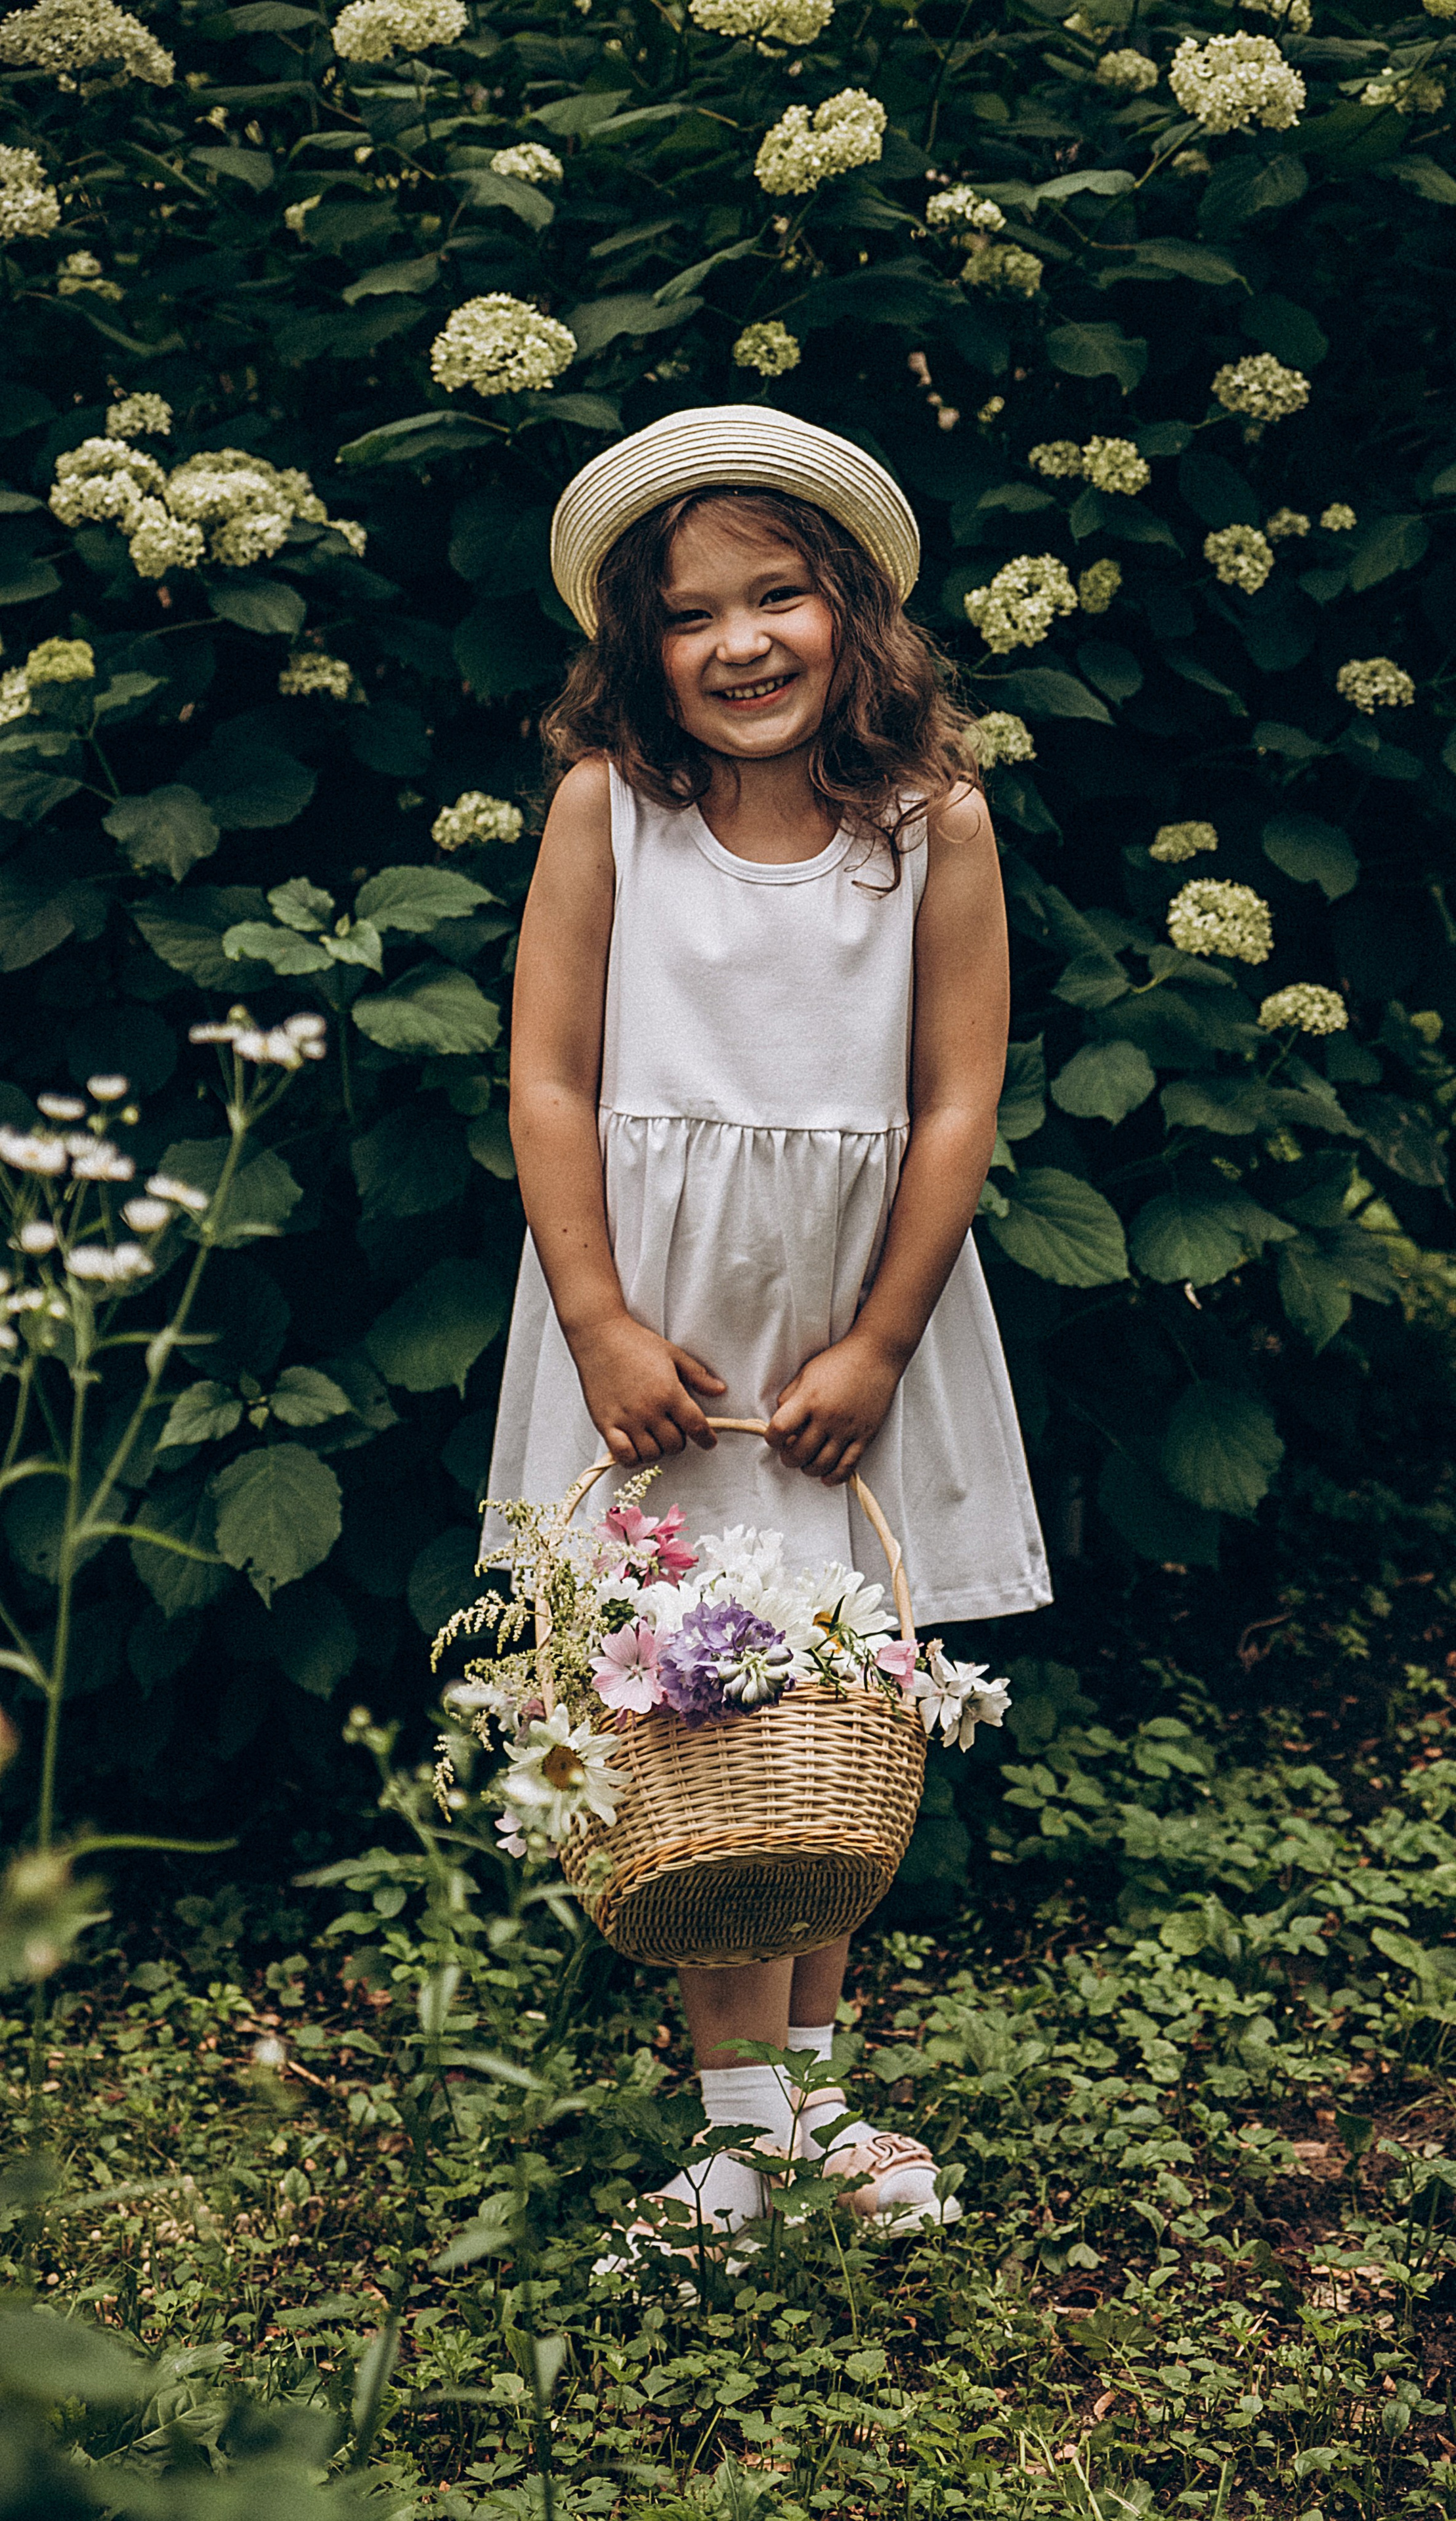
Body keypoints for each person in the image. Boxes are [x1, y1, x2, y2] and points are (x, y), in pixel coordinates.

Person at [489, 407, 1050, 2252]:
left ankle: (807, 2113)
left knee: (825, 1723)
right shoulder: (612, 817)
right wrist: (598, 1323)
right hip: (660, 1338)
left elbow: (958, 1103)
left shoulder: (929, 825)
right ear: (638, 652)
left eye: (778, 596)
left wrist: (882, 1343)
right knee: (685, 1717)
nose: (738, 644)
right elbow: (553, 1084)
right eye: (688, 614)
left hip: (837, 1337)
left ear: (852, 611)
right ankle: (735, 2134)